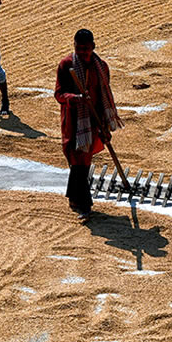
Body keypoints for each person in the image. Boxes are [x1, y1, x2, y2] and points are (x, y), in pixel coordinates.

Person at [54, 29, 123, 217]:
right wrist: (75, 98)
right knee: (75, 158)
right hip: (73, 120)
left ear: (93, 47)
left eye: (86, 49)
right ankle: (80, 201)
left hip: (93, 119)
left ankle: (80, 201)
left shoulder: (102, 67)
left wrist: (104, 124)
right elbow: (59, 95)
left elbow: (104, 96)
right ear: (74, 46)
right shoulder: (66, 65)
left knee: (83, 160)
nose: (83, 52)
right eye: (79, 49)